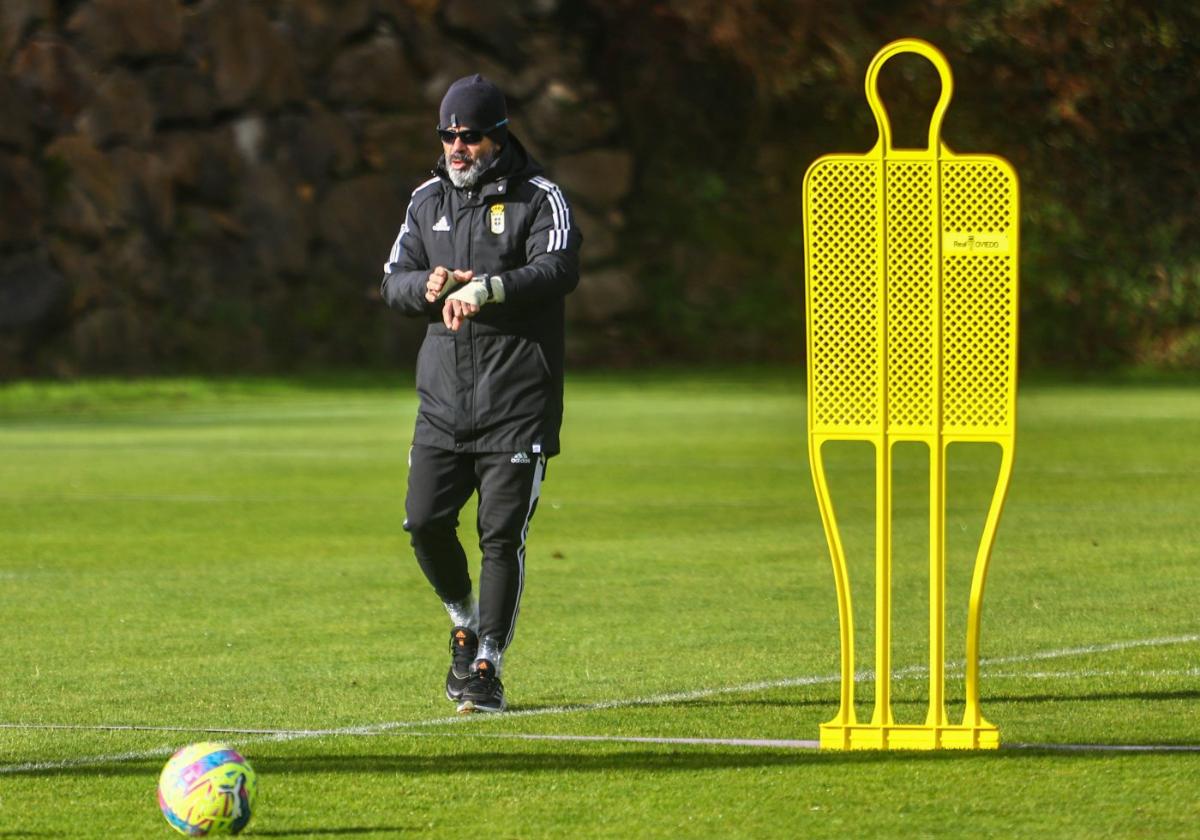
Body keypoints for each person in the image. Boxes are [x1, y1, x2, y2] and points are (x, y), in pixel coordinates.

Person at [380, 75, 582, 713]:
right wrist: (428, 286)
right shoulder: (425, 200)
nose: (456, 147)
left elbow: (558, 267)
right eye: (447, 136)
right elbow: (393, 280)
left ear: (497, 136)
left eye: (468, 136)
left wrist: (487, 289)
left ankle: (487, 666)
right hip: (442, 400)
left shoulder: (539, 197)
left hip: (516, 399)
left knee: (500, 536)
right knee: (423, 522)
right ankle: (463, 623)